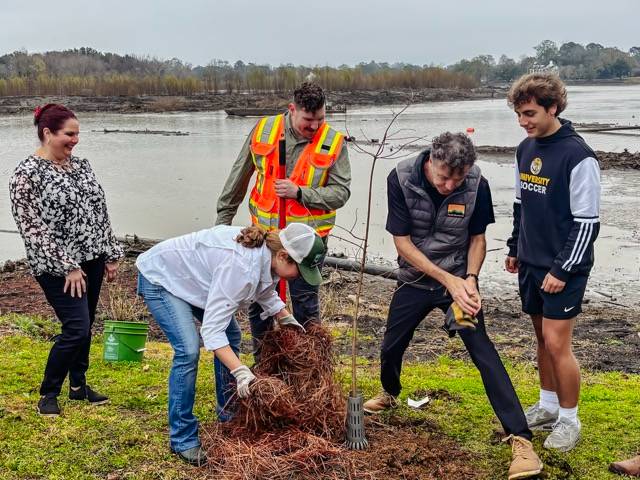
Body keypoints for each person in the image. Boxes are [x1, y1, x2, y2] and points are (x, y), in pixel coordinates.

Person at [363, 132, 542, 480]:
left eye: (457, 179)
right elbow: (402, 243)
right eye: (444, 176)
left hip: (459, 286)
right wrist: (449, 280)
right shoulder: (400, 177)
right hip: (416, 280)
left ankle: (521, 441)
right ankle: (389, 392)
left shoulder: (477, 184)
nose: (449, 185)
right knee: (391, 345)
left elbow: (477, 239)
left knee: (482, 350)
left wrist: (470, 280)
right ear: (431, 159)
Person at [135, 223, 325, 466]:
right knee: (189, 350)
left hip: (194, 281)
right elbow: (212, 331)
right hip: (162, 279)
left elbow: (264, 289)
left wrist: (283, 315)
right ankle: (182, 438)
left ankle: (229, 415)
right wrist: (241, 372)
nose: (301, 276)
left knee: (232, 336)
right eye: (300, 269)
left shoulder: (268, 257)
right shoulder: (241, 268)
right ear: (283, 256)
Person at [215, 81, 351, 351]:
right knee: (259, 303)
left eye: (320, 119)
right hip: (264, 237)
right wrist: (222, 225)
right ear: (292, 109)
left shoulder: (333, 142)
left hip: (307, 242)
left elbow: (341, 193)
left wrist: (301, 193)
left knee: (306, 304)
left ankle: (310, 367)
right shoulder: (264, 130)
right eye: (308, 120)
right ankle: (264, 365)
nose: (315, 126)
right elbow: (237, 179)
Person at [505, 73, 601, 452]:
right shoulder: (524, 149)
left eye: (529, 113)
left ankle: (569, 420)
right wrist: (514, 247)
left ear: (553, 108)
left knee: (558, 344)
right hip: (530, 262)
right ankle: (546, 407)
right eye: (518, 114)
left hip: (564, 267)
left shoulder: (579, 157)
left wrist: (562, 270)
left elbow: (587, 224)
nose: (523, 121)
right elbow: (520, 205)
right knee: (541, 340)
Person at [9, 104, 123, 418]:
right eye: (69, 134)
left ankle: (79, 386)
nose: (75, 140)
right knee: (76, 327)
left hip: (93, 258)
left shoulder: (82, 166)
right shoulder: (25, 175)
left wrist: (110, 253)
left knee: (85, 327)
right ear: (48, 133)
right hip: (56, 267)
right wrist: (68, 265)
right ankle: (48, 392)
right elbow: (31, 229)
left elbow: (99, 211)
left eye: (77, 134)